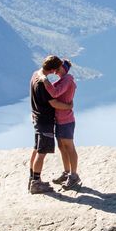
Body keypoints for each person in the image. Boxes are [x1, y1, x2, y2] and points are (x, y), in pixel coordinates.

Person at [29, 55, 72, 194]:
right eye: (57, 69)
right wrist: (68, 106)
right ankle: (36, 183)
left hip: (36, 117)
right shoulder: (43, 82)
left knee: (36, 149)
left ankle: (32, 178)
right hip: (45, 121)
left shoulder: (36, 74)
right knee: (41, 153)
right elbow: (54, 103)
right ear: (53, 69)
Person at [43, 58, 80, 190]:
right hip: (59, 119)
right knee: (61, 147)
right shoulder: (62, 80)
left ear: (64, 68)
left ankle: (74, 175)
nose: (56, 71)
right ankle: (66, 172)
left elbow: (55, 92)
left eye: (58, 69)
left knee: (69, 146)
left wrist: (44, 79)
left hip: (66, 120)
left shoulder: (68, 79)